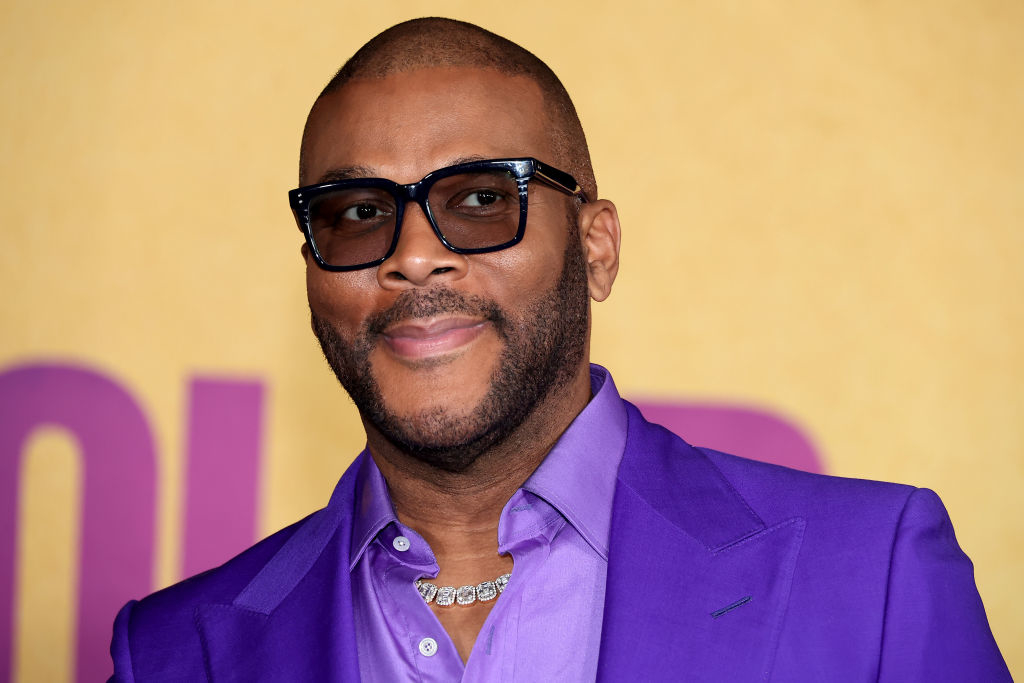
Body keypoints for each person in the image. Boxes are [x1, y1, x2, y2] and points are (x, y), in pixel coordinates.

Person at [109, 17, 1010, 682]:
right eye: (357, 214)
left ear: (595, 247)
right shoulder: (174, 651)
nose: (413, 254)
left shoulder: (871, 577)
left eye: (478, 200)